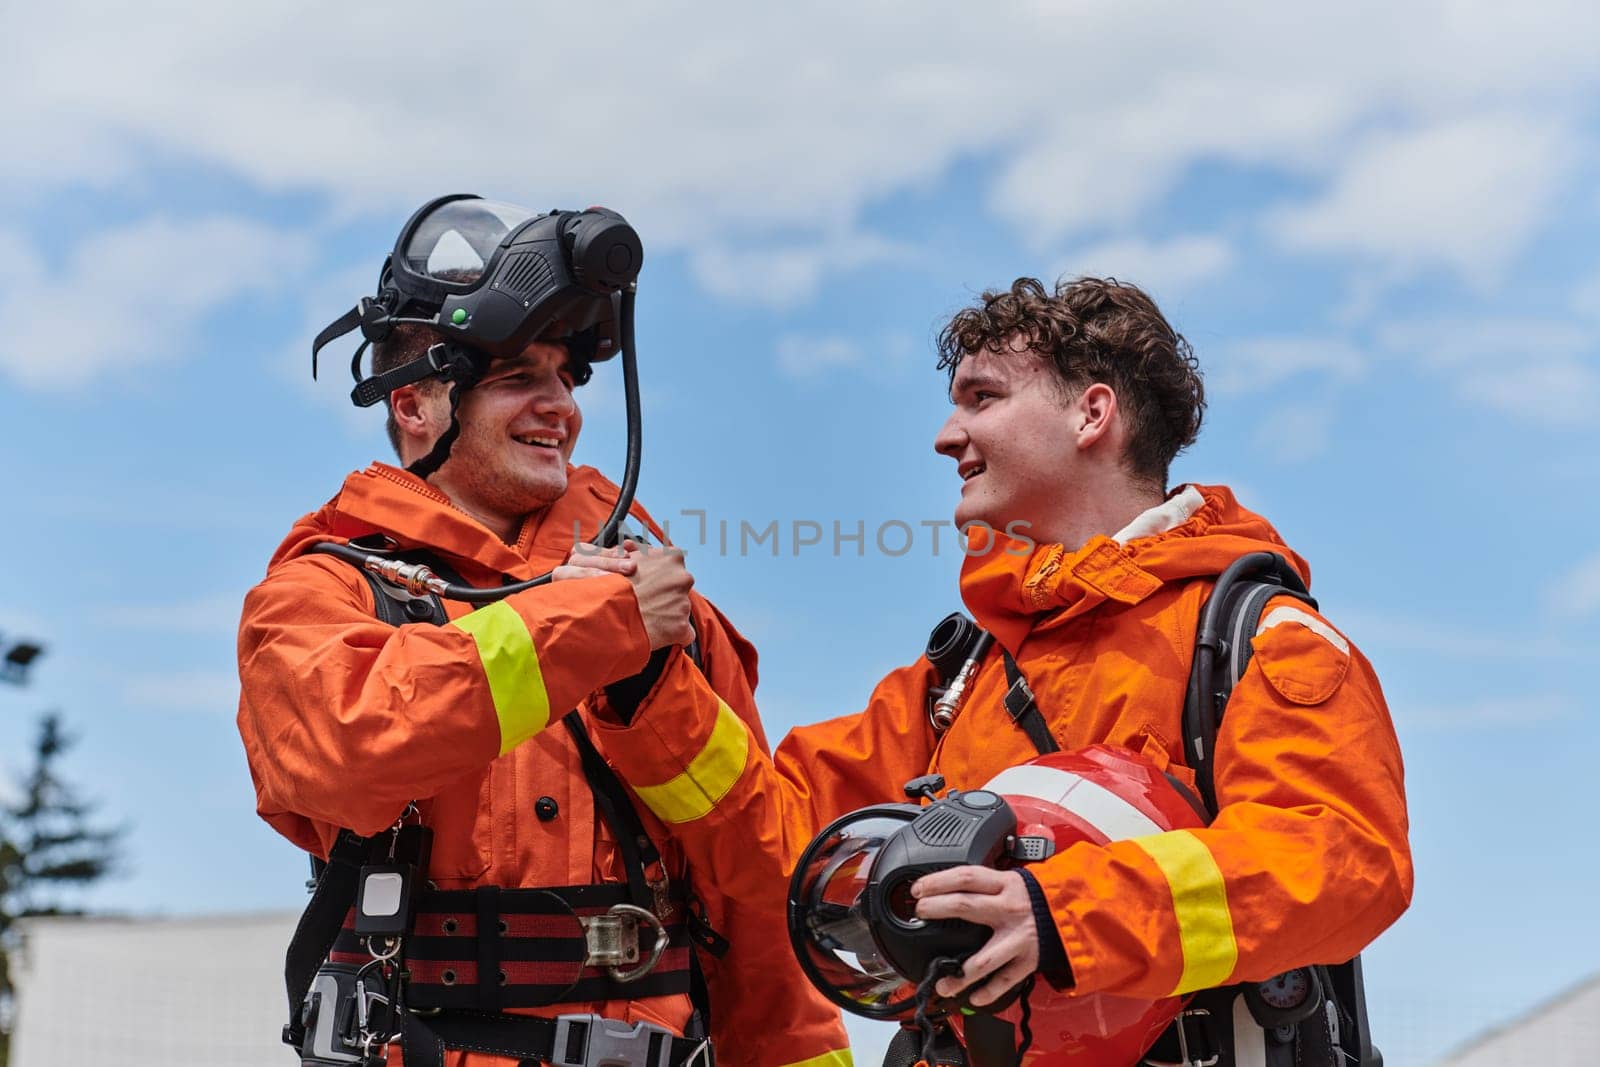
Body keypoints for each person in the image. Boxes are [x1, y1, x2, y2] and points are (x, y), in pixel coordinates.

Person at [590, 276, 1413, 1062]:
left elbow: (1344, 858)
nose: (947, 436)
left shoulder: (1258, 636)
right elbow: (785, 853)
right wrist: (647, 682)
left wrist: (1063, 916)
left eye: (983, 397)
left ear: (1093, 415)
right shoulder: (958, 678)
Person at [235, 195, 851, 1067]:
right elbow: (348, 750)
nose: (558, 404)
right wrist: (596, 629)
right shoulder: (318, 594)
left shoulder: (665, 614)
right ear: (414, 403)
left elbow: (759, 889)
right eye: (519, 375)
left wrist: (649, 688)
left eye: (566, 376)